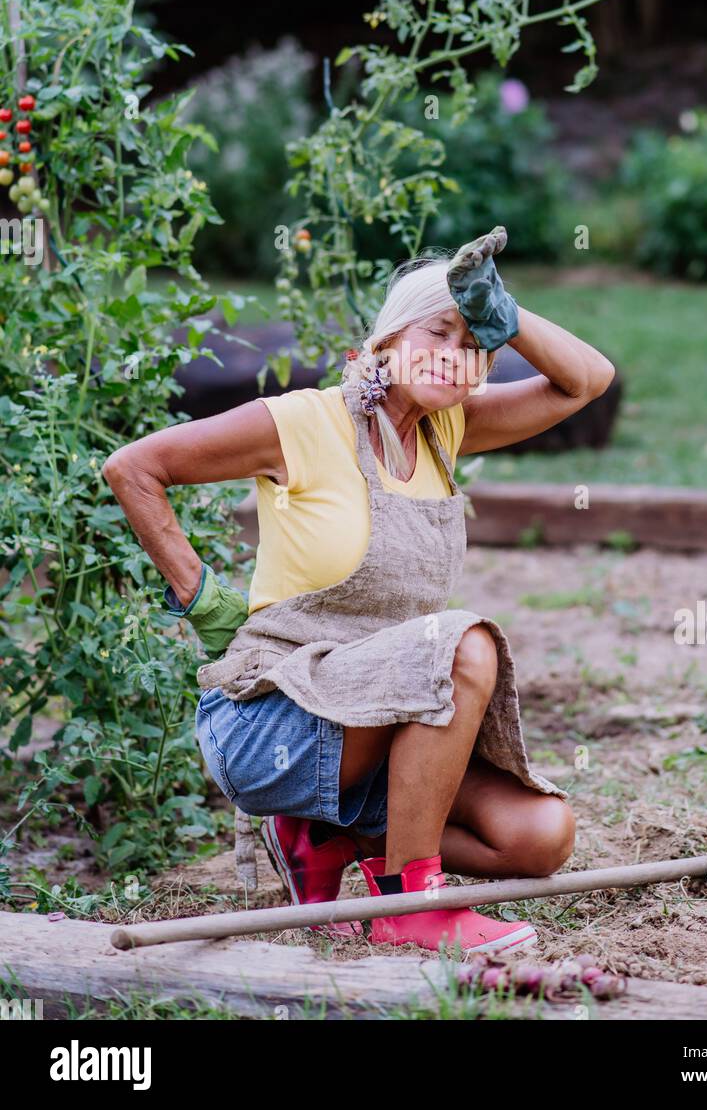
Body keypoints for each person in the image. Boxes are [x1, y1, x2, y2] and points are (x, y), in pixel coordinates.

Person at [102, 228, 615, 953]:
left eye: (475, 344)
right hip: (271, 719)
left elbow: (586, 381)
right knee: (464, 644)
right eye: (438, 329)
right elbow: (134, 468)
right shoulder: (304, 423)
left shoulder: (448, 429)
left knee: (540, 837)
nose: (453, 353)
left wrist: (509, 312)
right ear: (388, 340)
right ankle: (411, 903)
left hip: (382, 722)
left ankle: (328, 838)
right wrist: (202, 599)